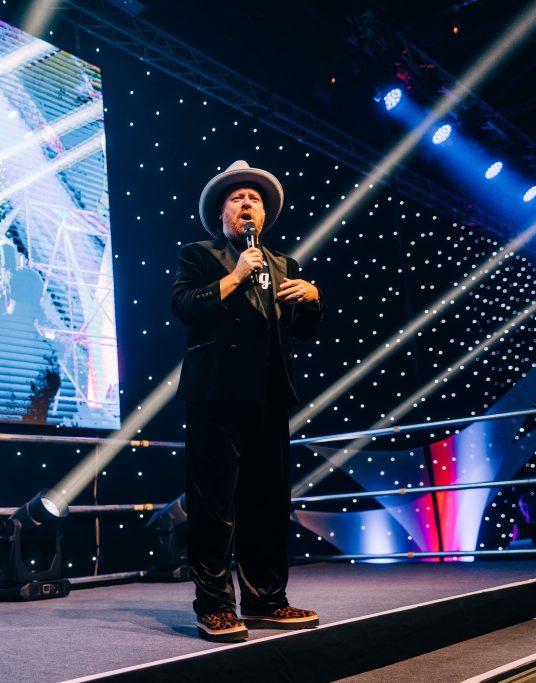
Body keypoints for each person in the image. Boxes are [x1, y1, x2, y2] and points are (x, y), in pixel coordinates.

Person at [172, 160, 326, 643]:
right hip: (215, 393)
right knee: (213, 505)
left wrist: (313, 300)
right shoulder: (200, 254)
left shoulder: (284, 264)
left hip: (269, 394)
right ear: (221, 214)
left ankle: (266, 600)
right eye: (237, 198)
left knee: (268, 502)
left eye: (254, 199)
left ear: (264, 214)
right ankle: (214, 606)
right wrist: (237, 275)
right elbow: (183, 306)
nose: (246, 205)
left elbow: (302, 331)